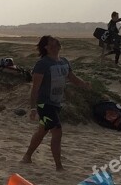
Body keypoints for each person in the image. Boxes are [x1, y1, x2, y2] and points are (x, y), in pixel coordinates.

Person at [22, 36, 90, 171]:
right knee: (57, 131)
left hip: (56, 103)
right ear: (46, 47)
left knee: (42, 131)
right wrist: (33, 108)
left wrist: (84, 84)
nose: (56, 42)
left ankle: (27, 156)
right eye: (52, 41)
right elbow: (35, 88)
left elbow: (72, 78)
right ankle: (59, 166)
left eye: (57, 41)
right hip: (44, 104)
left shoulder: (64, 62)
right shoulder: (42, 64)